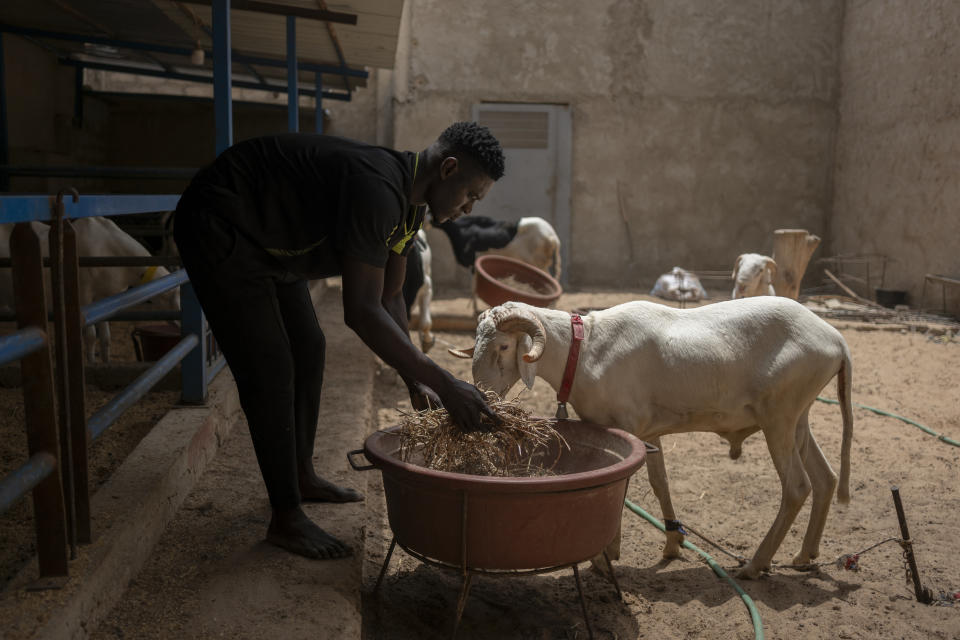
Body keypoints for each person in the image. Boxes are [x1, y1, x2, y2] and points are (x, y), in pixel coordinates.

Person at [173, 122, 505, 560]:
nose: (468, 210)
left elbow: (389, 295)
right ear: (448, 168)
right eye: (471, 196)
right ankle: (286, 517)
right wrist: (445, 383)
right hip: (222, 223)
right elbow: (361, 311)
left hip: (275, 242)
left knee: (310, 347)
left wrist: (415, 377)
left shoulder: (410, 206)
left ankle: (302, 475)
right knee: (271, 367)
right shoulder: (377, 190)